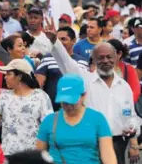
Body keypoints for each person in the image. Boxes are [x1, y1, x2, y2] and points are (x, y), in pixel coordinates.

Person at [44, 20, 140, 164]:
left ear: (116, 59)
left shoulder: (124, 86)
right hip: (91, 145)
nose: (105, 61)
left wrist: (133, 128)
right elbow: (65, 63)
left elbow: (132, 116)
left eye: (109, 57)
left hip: (118, 145)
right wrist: (55, 42)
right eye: (100, 58)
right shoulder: (85, 79)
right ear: (93, 60)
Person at [36, 74, 117, 164]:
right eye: (64, 102)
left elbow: (108, 154)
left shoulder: (97, 119)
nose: (68, 106)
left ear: (83, 96)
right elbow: (39, 155)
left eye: (72, 101)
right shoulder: (49, 121)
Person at [0, 59, 53, 158]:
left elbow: (48, 126)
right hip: (8, 153)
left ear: (19, 76)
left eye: (9, 74)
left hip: (33, 155)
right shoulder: (4, 96)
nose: (5, 77)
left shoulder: (41, 96)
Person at [35, 26, 88, 110]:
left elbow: (85, 86)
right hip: (51, 108)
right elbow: (38, 84)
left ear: (73, 41)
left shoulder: (83, 62)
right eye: (57, 39)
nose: (59, 43)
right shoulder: (47, 59)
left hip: (75, 108)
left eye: (63, 39)